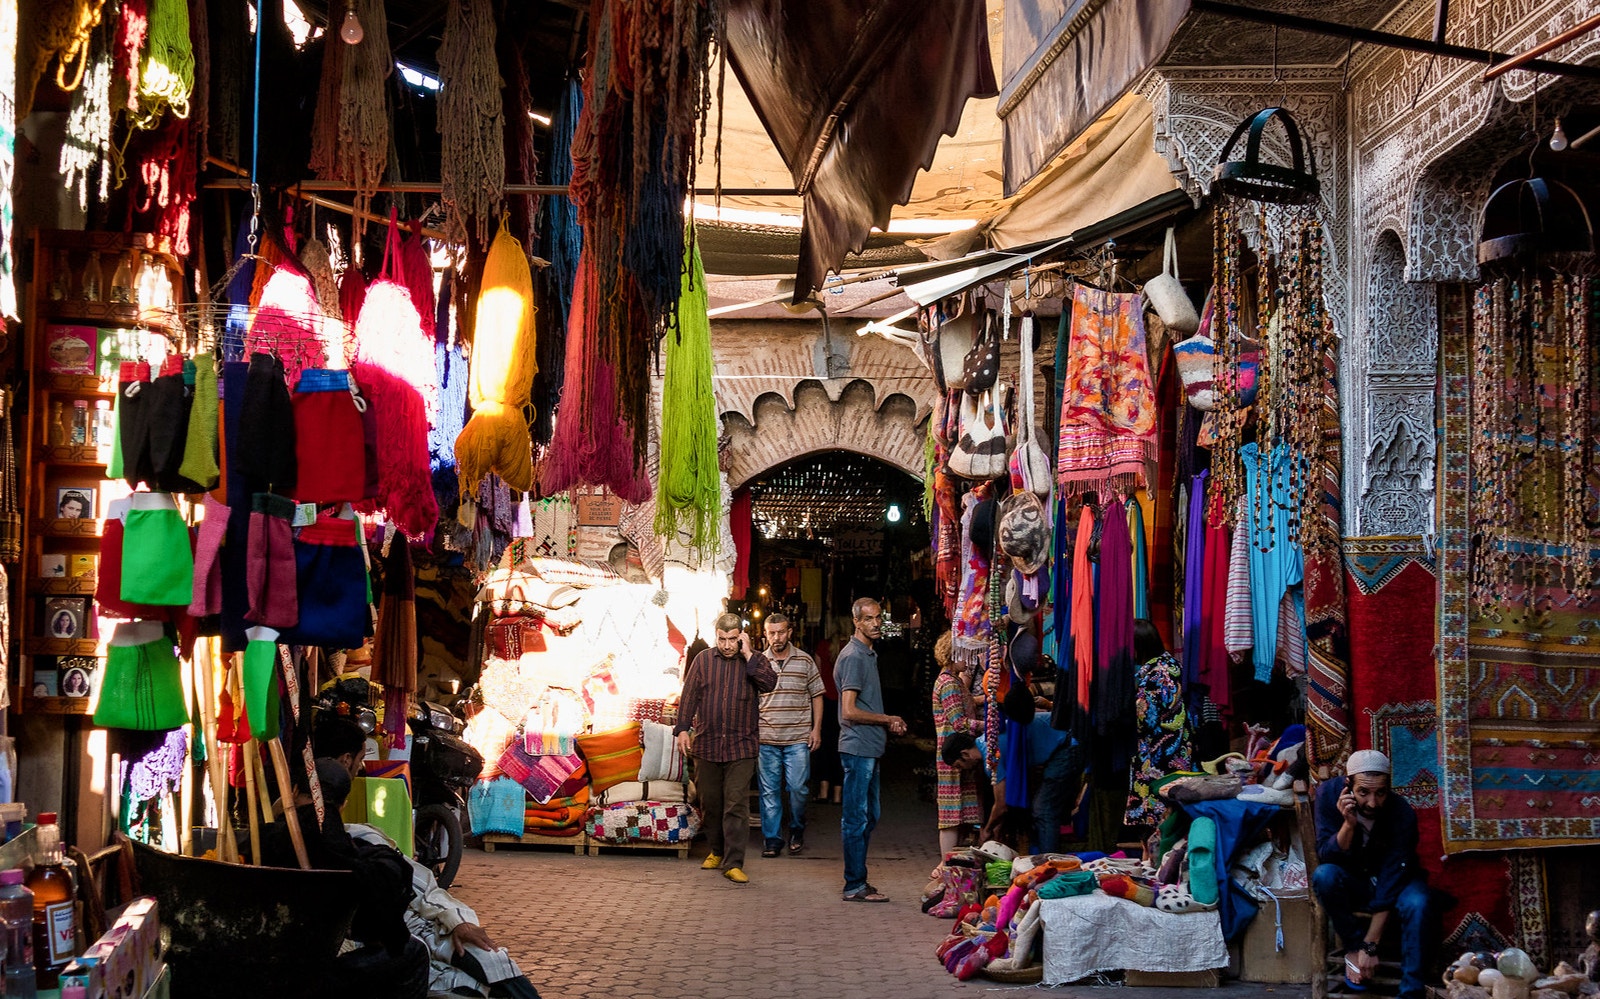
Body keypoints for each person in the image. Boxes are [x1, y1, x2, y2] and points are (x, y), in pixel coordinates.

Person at [1313, 749, 1433, 999]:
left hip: (1397, 882)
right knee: (1324, 876)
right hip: (1354, 881)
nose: (1372, 802)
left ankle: (1411, 991)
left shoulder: (1401, 813)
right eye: (1363, 792)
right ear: (1348, 785)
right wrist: (1348, 824)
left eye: (1380, 792)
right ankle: (1353, 950)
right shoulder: (1327, 797)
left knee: (1418, 902)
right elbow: (1327, 855)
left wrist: (1371, 944)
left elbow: (1392, 878)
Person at [674, 611, 777, 884]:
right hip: (707, 744)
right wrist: (682, 728)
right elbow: (689, 695)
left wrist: (749, 654)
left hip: (741, 747)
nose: (728, 645)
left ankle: (733, 862)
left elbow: (769, 683)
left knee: (735, 806)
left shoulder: (752, 661)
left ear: (740, 637)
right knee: (710, 803)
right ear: (715, 636)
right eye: (723, 639)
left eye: (733, 639)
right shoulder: (703, 660)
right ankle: (717, 851)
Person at [835, 597, 905, 902]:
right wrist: (887, 719)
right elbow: (849, 710)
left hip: (869, 748)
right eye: (869, 619)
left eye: (878, 618)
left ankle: (858, 877)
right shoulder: (854, 657)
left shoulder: (868, 654)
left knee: (869, 815)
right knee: (856, 818)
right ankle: (854, 884)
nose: (875, 623)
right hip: (857, 747)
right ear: (856, 622)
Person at [756, 613, 824, 858]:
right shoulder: (758, 663)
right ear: (765, 634)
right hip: (767, 739)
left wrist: (816, 729)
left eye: (781, 632)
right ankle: (772, 840)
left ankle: (796, 829)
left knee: (798, 788)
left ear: (790, 632)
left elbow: (817, 695)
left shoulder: (805, 661)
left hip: (797, 738)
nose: (777, 637)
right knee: (769, 792)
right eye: (772, 633)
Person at [1125, 619, 1194, 827]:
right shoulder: (1171, 664)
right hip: (1178, 745)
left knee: (1157, 808)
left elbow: (1145, 719)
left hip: (1158, 751)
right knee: (1173, 804)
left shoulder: (1155, 675)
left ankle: (1156, 853)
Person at [932, 633, 983, 855]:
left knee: (959, 811)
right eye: (964, 654)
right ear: (953, 655)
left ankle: (952, 862)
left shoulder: (952, 681)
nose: (968, 660)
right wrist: (986, 725)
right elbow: (959, 723)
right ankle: (946, 863)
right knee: (951, 814)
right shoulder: (949, 683)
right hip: (954, 755)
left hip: (958, 752)